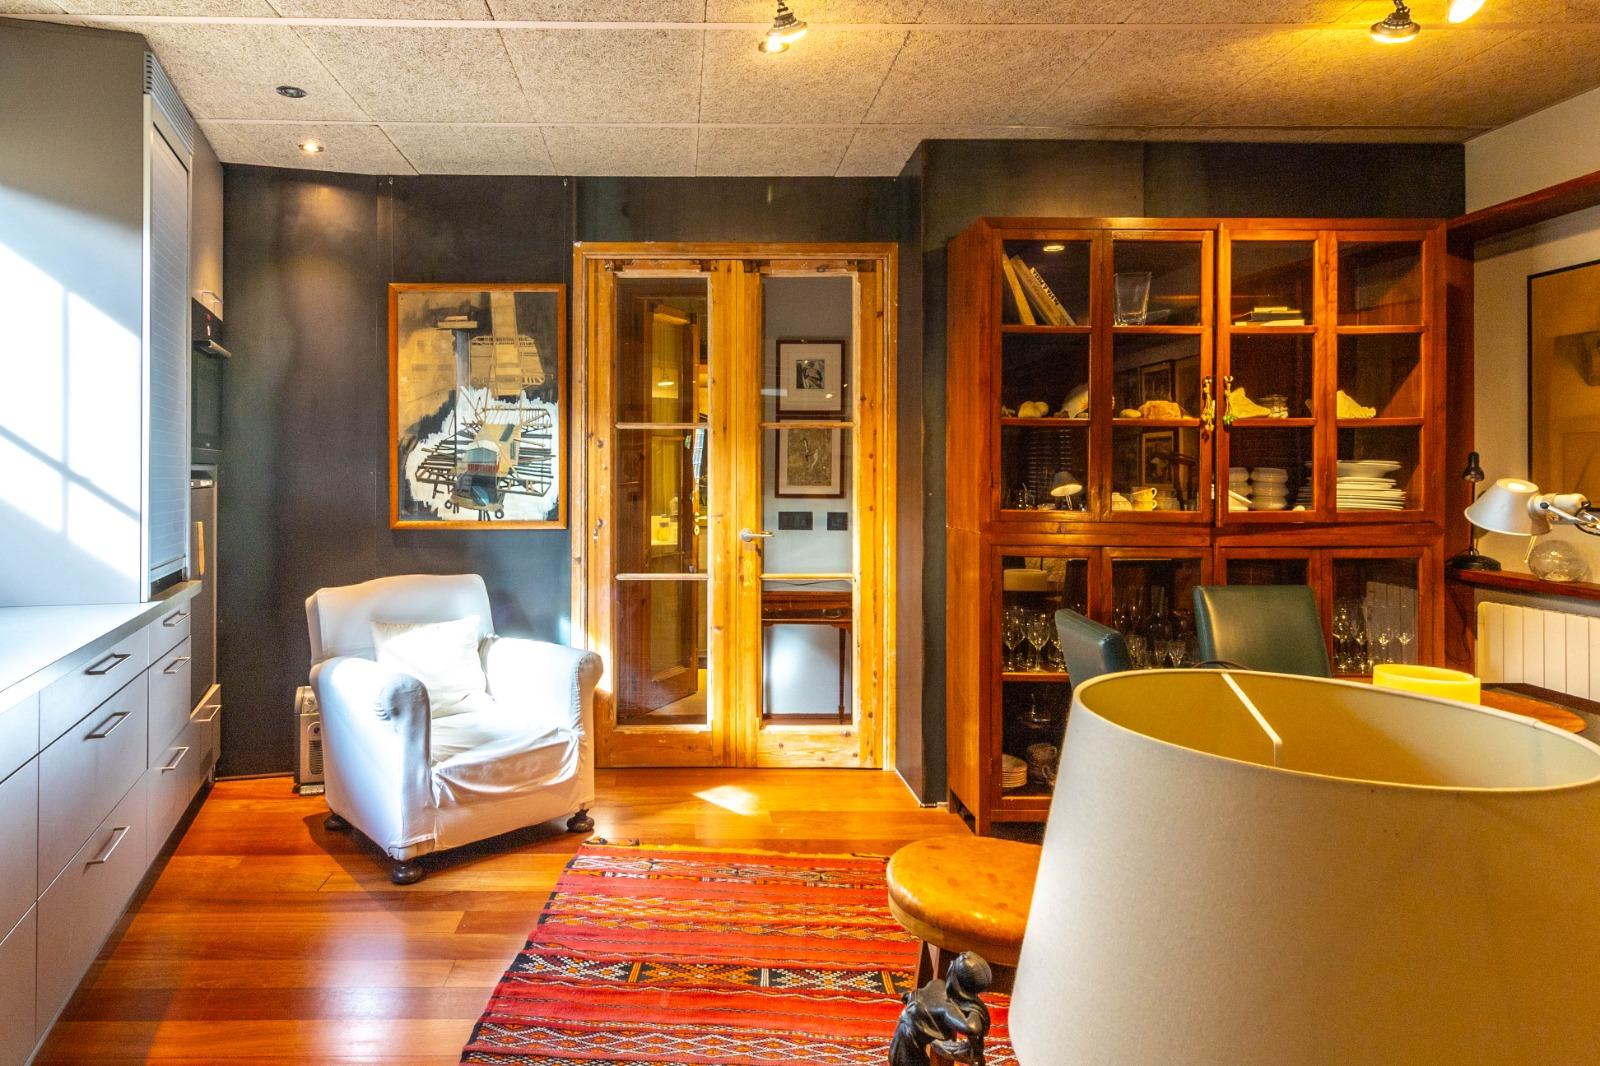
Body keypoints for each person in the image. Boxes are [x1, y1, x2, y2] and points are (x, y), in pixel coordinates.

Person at [888, 951, 993, 1066]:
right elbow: (972, 1028)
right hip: (907, 1057)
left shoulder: (937, 984)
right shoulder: (947, 1008)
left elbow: (910, 997)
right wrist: (975, 1009)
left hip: (900, 1042)